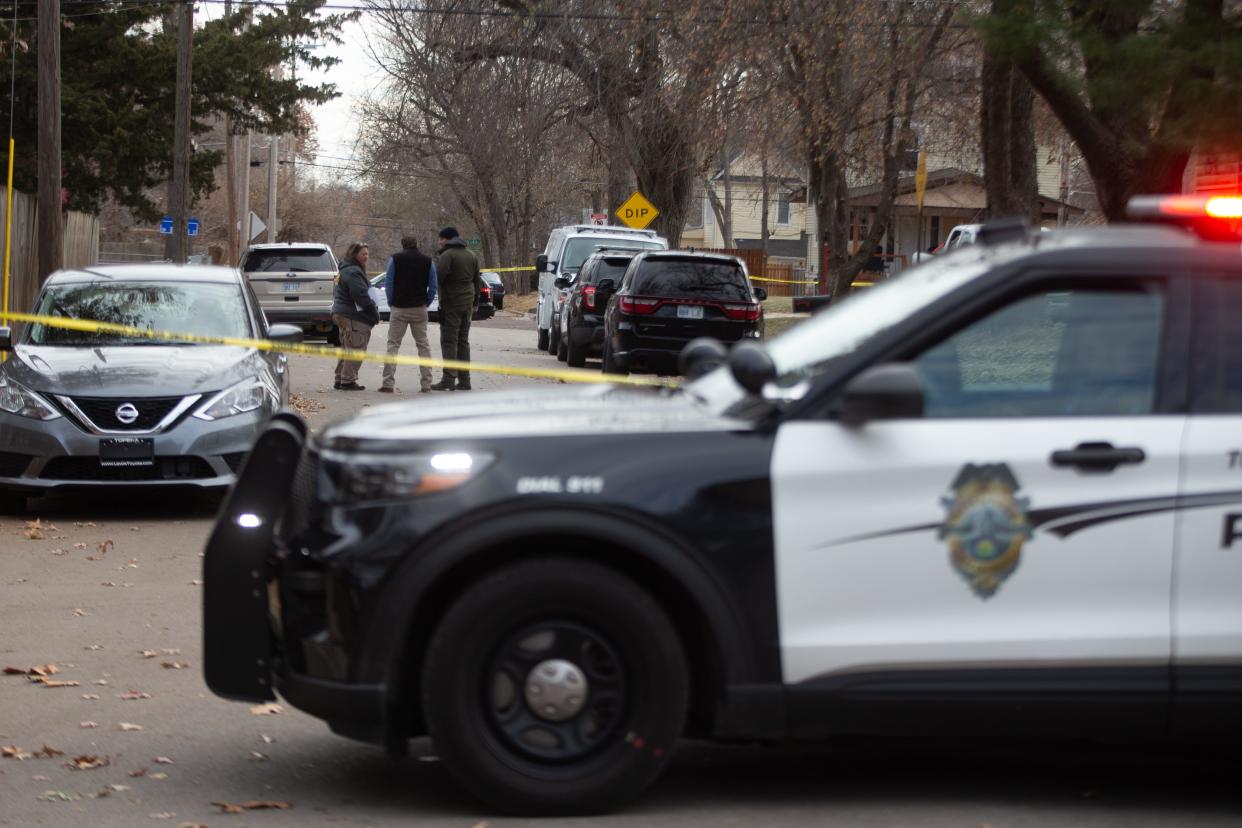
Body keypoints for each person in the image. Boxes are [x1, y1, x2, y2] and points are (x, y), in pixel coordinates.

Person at [380, 235, 438, 393]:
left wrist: (391, 301)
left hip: (399, 307)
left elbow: (389, 282)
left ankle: (388, 383)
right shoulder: (428, 261)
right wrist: (426, 302)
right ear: (417, 244)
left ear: (402, 245)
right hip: (419, 307)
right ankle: (426, 384)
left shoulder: (395, 259)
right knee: (423, 346)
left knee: (393, 344)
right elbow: (433, 285)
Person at [429, 226, 483, 391]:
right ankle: (465, 380)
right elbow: (477, 281)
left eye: (441, 239)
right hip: (467, 303)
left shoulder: (447, 255)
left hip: (451, 303)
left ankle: (448, 379)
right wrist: (475, 302)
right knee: (463, 341)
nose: (439, 242)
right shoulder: (471, 255)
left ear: (448, 239)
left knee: (449, 341)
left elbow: (439, 277)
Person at [331, 241, 379, 391]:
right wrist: (373, 310)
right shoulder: (353, 272)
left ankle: (340, 379)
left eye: (367, 254)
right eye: (363, 254)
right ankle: (348, 381)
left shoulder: (345, 269)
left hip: (341, 313)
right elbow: (360, 295)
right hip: (353, 316)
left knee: (347, 348)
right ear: (354, 254)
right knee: (356, 348)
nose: (366, 257)